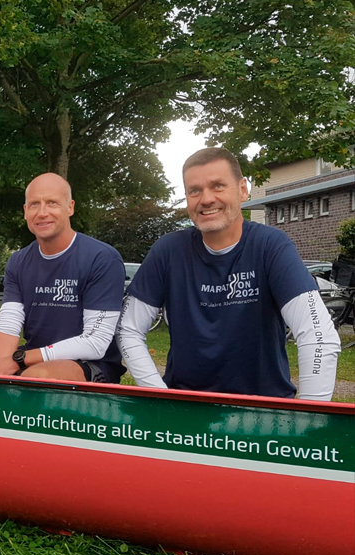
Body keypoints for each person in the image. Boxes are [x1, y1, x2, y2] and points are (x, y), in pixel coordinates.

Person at [118, 148, 339, 400]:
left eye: (218, 186)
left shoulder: (270, 246)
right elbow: (128, 329)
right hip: (185, 408)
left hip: (263, 409)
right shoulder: (168, 250)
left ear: (242, 190)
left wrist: (308, 417)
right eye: (194, 191)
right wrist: (160, 397)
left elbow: (318, 336)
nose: (206, 199)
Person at [0, 173, 126, 383]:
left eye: (52, 203)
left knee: (37, 377)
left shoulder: (102, 258)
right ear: (25, 211)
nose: (42, 212)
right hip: (33, 356)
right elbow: (8, 326)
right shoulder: (18, 260)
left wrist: (19, 360)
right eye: (34, 204)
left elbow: (95, 343)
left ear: (70, 207)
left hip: (87, 363)